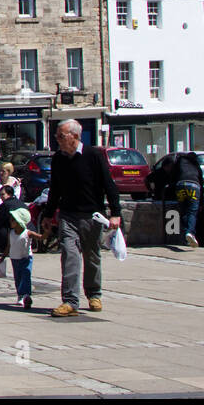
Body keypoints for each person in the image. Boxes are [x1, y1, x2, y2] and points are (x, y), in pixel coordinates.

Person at [43, 119, 122, 317]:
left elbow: (109, 185)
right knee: (69, 255)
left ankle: (94, 294)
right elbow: (55, 189)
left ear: (75, 136)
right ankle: (70, 301)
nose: (57, 140)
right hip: (68, 215)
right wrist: (48, 214)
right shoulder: (58, 159)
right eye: (56, 136)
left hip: (92, 215)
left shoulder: (94, 155)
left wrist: (116, 213)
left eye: (61, 136)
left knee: (92, 255)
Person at [147, 152, 204, 249]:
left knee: (183, 211)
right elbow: (201, 183)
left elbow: (172, 177)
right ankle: (190, 232)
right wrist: (202, 202)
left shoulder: (179, 162)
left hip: (180, 186)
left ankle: (187, 234)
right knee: (192, 211)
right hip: (194, 186)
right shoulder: (196, 165)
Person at [0, 205, 40, 308]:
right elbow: (9, 246)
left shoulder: (27, 233)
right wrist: (3, 257)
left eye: (13, 220)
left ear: (19, 222)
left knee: (26, 276)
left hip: (26, 258)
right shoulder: (11, 233)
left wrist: (47, 232)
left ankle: (26, 295)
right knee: (18, 278)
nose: (10, 221)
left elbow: (40, 237)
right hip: (14, 259)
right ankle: (20, 295)